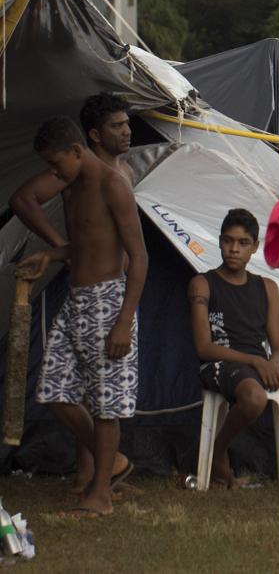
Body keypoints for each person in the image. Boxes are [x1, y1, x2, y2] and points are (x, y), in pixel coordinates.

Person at [15, 117, 147, 517]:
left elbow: (139, 256)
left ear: (77, 150)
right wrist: (52, 254)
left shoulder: (113, 184)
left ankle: (100, 496)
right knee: (53, 390)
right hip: (77, 301)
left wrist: (124, 320)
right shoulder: (73, 184)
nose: (55, 175)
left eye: (58, 165)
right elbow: (84, 243)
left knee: (107, 405)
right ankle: (114, 462)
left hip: (109, 303)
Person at [188, 209, 279, 488]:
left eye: (243, 243)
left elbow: (278, 349)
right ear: (219, 241)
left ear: (255, 247)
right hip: (223, 364)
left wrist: (272, 363)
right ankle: (219, 455)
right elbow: (203, 347)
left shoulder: (265, 287)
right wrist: (257, 362)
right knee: (255, 398)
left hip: (261, 367)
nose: (234, 249)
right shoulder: (203, 284)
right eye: (228, 241)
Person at [10, 93, 134, 251]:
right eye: (117, 126)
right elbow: (22, 200)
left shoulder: (126, 170)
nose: (127, 131)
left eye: (126, 123)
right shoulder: (77, 171)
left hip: (124, 271)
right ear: (95, 135)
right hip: (91, 271)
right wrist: (62, 247)